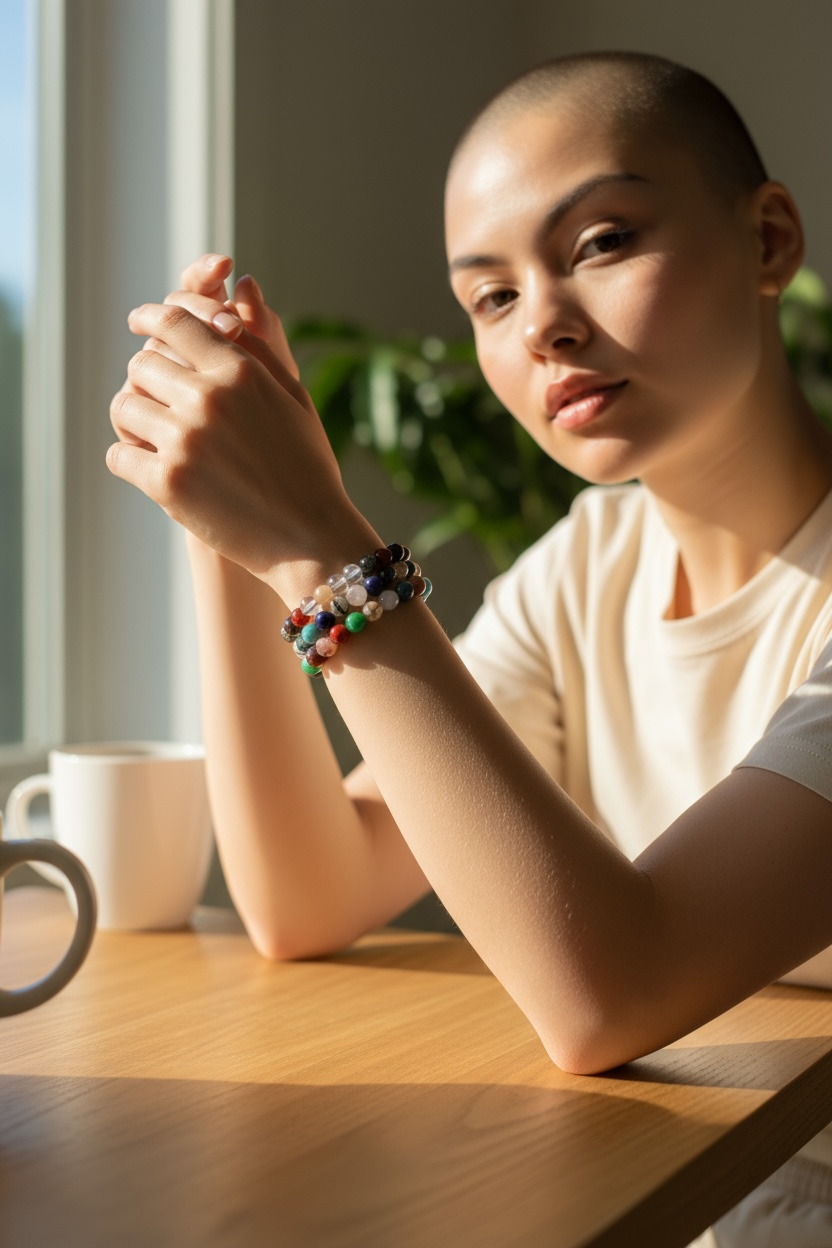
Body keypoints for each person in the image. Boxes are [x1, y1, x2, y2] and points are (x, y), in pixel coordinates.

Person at [108, 51, 832, 1247]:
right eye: (490, 298)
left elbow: (611, 995)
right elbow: (309, 893)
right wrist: (228, 530)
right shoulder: (585, 569)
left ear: (767, 242)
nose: (543, 322)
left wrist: (317, 549)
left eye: (600, 241)